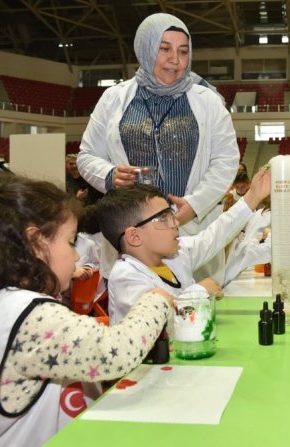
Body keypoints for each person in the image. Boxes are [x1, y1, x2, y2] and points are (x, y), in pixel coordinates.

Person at [0, 174, 175, 447]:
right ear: (36, 243)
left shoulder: (4, 304)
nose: (75, 256)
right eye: (70, 242)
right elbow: (115, 352)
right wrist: (154, 300)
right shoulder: (27, 313)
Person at [77, 13, 239, 285]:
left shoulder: (208, 100)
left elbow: (226, 160)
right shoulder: (114, 98)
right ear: (145, 48)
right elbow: (86, 155)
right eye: (164, 49)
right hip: (132, 231)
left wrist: (195, 204)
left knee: (193, 307)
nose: (175, 59)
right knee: (137, 306)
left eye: (183, 51)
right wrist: (109, 175)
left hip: (190, 227)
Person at [98, 169, 270, 324]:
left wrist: (253, 196)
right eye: (163, 218)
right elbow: (157, 322)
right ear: (134, 236)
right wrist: (199, 292)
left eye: (171, 215)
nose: (175, 223)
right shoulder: (126, 276)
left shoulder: (177, 255)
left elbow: (214, 235)